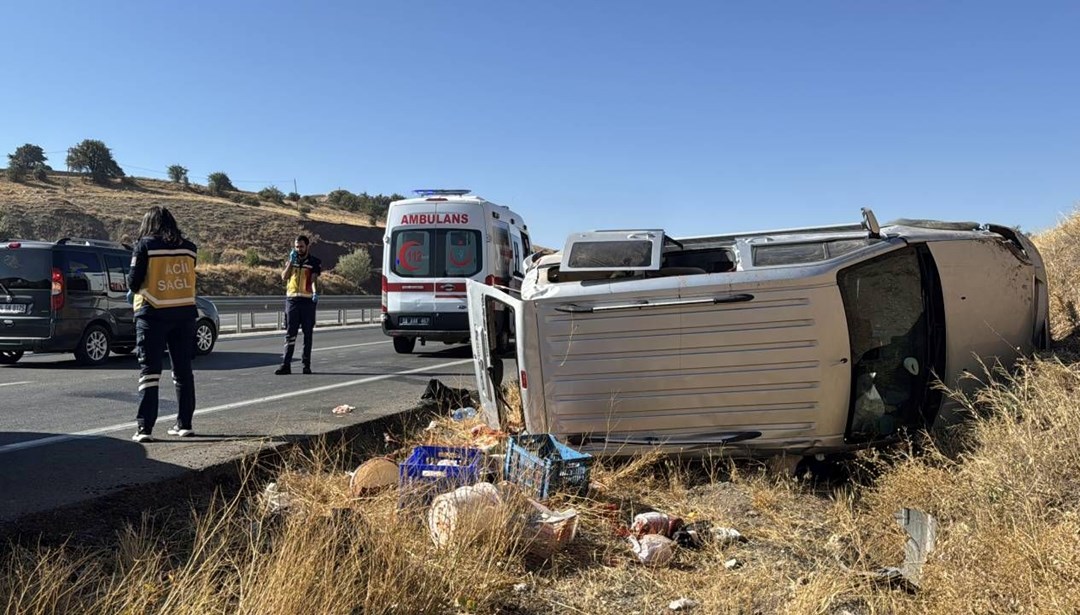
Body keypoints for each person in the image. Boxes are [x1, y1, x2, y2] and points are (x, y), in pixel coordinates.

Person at [127, 206, 198, 443]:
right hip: (184, 313)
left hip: (153, 312)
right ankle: (185, 424)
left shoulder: (144, 245)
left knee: (150, 371)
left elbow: (133, 282)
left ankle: (144, 428)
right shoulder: (190, 248)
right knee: (183, 370)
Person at [275, 235, 321, 375]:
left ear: (307, 246)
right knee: (290, 334)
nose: (299, 249)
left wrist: (315, 292)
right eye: (296, 247)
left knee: (308, 334)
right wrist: (290, 262)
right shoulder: (291, 260)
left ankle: (306, 365)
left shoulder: (314, 262)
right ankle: (286, 365)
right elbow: (284, 277)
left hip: (307, 302)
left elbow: (313, 280)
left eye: (301, 246)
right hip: (292, 301)